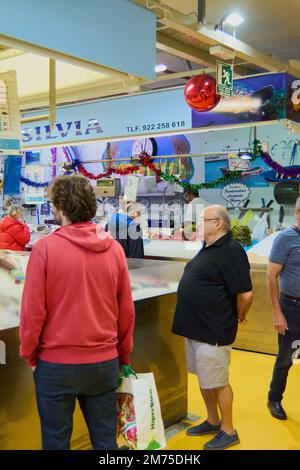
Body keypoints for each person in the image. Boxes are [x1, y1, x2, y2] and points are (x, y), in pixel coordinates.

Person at [19, 175, 135, 450]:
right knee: (106, 440)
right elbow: (126, 311)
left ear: (59, 208)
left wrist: (30, 353)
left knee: (56, 440)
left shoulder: (45, 249)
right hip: (104, 362)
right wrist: (124, 355)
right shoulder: (114, 249)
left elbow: (33, 312)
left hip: (56, 364)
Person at [172, 205, 253, 450]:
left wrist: (237, 316)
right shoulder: (208, 248)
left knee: (218, 381)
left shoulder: (231, 250)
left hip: (214, 330)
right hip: (196, 328)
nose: (199, 224)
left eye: (202, 220)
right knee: (206, 380)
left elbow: (246, 294)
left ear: (219, 222)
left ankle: (228, 430)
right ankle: (212, 420)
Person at [267, 197, 300, 420]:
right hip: (292, 308)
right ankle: (274, 398)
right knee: (286, 358)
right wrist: (277, 312)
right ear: (297, 213)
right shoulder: (285, 238)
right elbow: (271, 275)